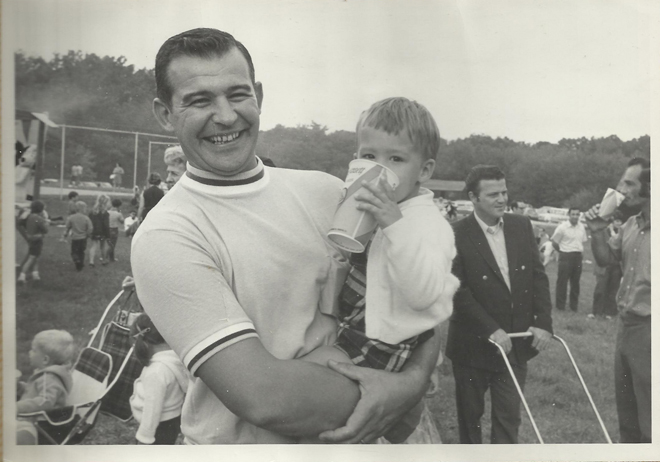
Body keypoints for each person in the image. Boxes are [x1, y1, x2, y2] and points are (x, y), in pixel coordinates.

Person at [132, 28, 440, 445]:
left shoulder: (328, 191)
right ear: (165, 113)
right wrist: (401, 391)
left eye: (238, 94)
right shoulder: (167, 234)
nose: (225, 116)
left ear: (258, 94)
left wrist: (413, 380)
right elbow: (266, 399)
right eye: (200, 100)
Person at [301, 97, 459, 443]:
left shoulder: (426, 224)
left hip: (379, 345)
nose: (379, 167)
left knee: (299, 380)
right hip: (353, 327)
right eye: (369, 157)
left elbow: (423, 295)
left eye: (396, 159)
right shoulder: (376, 209)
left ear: (426, 170)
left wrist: (393, 224)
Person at [446, 165, 553, 444]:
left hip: (515, 344)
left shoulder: (521, 225)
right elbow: (457, 290)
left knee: (509, 420)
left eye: (504, 192)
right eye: (493, 194)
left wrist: (543, 323)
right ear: (474, 197)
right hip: (472, 345)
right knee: (470, 421)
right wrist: (490, 329)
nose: (502, 199)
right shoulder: (455, 234)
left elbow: (537, 277)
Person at [584, 157, 650, 443]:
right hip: (626, 327)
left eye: (629, 183)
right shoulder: (630, 226)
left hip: (650, 330)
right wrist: (598, 229)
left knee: (651, 418)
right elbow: (605, 260)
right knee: (628, 416)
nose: (621, 189)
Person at [129, 313, 189, 445]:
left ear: (144, 342)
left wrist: (144, 438)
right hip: (171, 422)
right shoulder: (175, 359)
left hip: (157, 426)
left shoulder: (156, 371)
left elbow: (153, 408)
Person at [16, 330, 75, 444]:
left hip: (41, 423)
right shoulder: (47, 374)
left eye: (33, 350)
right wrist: (20, 387)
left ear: (45, 360)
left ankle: (26, 441)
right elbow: (34, 391)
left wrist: (17, 407)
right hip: (35, 417)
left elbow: (45, 401)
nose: (29, 352)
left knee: (21, 430)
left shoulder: (49, 378)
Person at [551, 207, 588, 312]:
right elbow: (555, 242)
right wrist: (563, 251)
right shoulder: (562, 227)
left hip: (578, 257)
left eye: (577, 214)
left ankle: (573, 306)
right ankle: (560, 306)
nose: (575, 216)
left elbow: (582, 242)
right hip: (566, 256)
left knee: (575, 283)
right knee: (562, 282)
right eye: (573, 214)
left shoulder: (581, 227)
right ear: (569, 215)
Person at [588, 213, 623, 320]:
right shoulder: (603, 231)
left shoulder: (623, 233)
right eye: (616, 221)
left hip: (617, 265)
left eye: (620, 221)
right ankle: (596, 311)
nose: (618, 223)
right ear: (612, 222)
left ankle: (610, 312)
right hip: (604, 265)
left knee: (614, 289)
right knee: (600, 288)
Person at [17, 200, 49, 284]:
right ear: (41, 209)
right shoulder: (38, 218)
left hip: (31, 239)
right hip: (37, 240)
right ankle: (22, 276)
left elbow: (20, 222)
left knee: (35, 257)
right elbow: (45, 230)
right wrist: (46, 222)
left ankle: (35, 275)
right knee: (32, 258)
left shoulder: (29, 217)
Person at [63, 201, 94, 271]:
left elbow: (67, 227)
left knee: (74, 252)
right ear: (83, 209)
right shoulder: (86, 218)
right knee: (81, 251)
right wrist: (88, 234)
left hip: (75, 238)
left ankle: (76, 260)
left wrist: (65, 234)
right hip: (83, 238)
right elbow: (90, 228)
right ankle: (81, 264)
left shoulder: (71, 217)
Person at [89, 194, 111, 266]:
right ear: (105, 203)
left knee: (94, 246)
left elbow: (90, 221)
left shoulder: (92, 211)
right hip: (102, 232)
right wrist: (108, 235)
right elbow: (106, 225)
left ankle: (91, 261)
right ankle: (104, 260)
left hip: (94, 230)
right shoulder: (105, 213)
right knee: (102, 246)